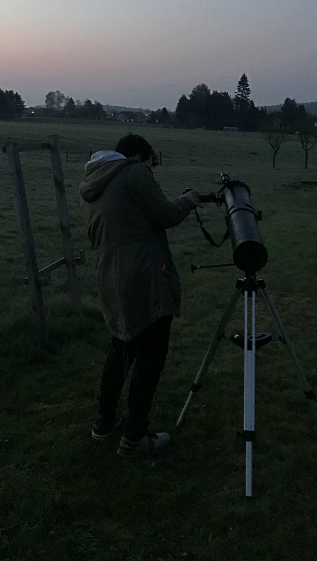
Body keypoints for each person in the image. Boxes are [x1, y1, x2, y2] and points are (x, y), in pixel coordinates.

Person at [79, 133, 200, 458]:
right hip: (143, 279)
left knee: (121, 350)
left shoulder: (95, 183)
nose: (150, 171)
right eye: (150, 165)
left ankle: (104, 422)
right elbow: (166, 215)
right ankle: (134, 439)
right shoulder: (134, 173)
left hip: (110, 279)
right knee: (150, 357)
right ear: (137, 158)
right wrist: (188, 200)